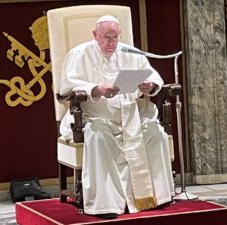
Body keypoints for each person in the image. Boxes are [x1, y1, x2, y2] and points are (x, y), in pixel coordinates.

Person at [59, 15, 174, 218]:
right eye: (106, 37)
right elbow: (66, 89)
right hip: (95, 116)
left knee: (155, 132)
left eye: (115, 37)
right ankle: (107, 205)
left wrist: (150, 85)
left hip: (131, 115)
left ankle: (156, 196)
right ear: (95, 35)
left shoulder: (130, 52)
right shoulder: (79, 54)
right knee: (99, 137)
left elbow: (153, 76)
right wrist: (96, 89)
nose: (111, 43)